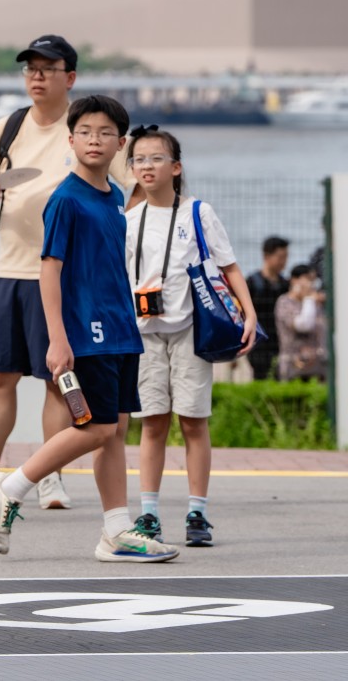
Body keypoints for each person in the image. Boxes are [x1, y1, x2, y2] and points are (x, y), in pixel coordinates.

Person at [0, 95, 179, 563]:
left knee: (115, 430)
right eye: (85, 131)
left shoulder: (113, 198)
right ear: (70, 140)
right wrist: (58, 338)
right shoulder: (66, 199)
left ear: (120, 145)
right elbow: (49, 269)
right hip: (87, 333)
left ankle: (116, 531)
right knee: (94, 427)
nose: (94, 139)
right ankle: (9, 488)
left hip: (121, 328)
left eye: (105, 132)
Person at [0, 35, 134, 512]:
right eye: (30, 68)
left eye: (47, 68)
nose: (36, 76)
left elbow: (129, 193)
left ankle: (48, 478)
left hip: (66, 277)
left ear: (69, 78)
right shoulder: (8, 128)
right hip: (11, 267)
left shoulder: (86, 128)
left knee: (60, 381)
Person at [124, 125, 257, 549]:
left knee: (194, 422)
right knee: (152, 424)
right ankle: (148, 513)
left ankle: (197, 511)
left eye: (156, 158)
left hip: (189, 331)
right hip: (144, 333)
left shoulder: (198, 212)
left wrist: (249, 314)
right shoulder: (127, 220)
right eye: (139, 159)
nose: (146, 166)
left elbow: (230, 265)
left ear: (176, 167)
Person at [245, 236, 289, 380]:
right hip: (258, 341)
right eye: (280, 257)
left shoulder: (285, 284)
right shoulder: (252, 282)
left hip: (280, 341)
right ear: (266, 256)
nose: (284, 262)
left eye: (286, 257)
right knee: (261, 376)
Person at [275, 264, 328, 382]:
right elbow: (303, 325)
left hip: (318, 367)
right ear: (294, 280)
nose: (311, 284)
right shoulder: (284, 302)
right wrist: (308, 300)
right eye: (308, 279)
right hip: (294, 368)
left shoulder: (316, 303)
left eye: (313, 280)